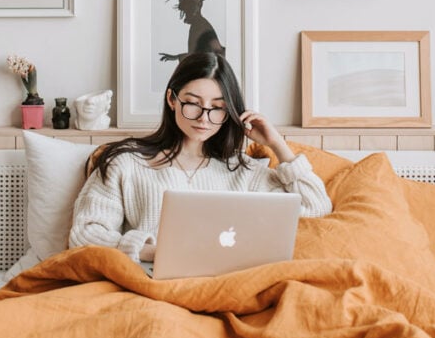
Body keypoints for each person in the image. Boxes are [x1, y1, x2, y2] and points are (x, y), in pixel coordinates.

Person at [69, 53, 331, 263]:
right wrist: (153, 252)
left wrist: (276, 143)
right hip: (150, 282)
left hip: (228, 286)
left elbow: (316, 207)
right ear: (172, 99)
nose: (204, 118)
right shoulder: (127, 164)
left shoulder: (245, 171)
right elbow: (85, 234)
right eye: (193, 103)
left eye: (218, 108)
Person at [158, 0, 226, 63]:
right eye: (186, 10)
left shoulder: (200, 25)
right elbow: (197, 55)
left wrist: (177, 57)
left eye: (190, 8)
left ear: (198, 6)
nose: (187, 13)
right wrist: (176, 57)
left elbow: (199, 55)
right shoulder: (198, 25)